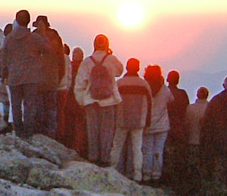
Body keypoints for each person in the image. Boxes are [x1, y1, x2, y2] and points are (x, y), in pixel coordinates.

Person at [0, 9, 53, 138]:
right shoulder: (34, 38)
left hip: (14, 76)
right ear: (28, 21)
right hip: (31, 76)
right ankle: (28, 132)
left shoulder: (9, 38)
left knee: (16, 106)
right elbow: (48, 50)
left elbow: (3, 58)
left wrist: (3, 74)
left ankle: (18, 132)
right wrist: (43, 33)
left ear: (17, 21)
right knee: (30, 106)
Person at [73, 34, 123, 166]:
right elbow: (120, 71)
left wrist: (82, 101)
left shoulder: (87, 62)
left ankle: (93, 157)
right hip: (109, 100)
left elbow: (79, 84)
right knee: (107, 131)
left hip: (91, 100)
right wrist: (109, 54)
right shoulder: (111, 59)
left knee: (92, 131)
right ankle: (105, 158)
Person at [110, 58, 152, 182]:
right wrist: (147, 123)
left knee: (117, 146)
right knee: (137, 149)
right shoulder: (144, 84)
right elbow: (150, 104)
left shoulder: (120, 83)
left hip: (122, 119)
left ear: (127, 67)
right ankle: (137, 174)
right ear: (138, 68)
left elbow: (113, 102)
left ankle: (112, 170)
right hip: (139, 121)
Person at [32, 15, 65, 140]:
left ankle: (40, 136)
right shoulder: (55, 37)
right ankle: (51, 136)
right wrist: (59, 77)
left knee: (39, 110)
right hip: (52, 80)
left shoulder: (34, 37)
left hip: (37, 80)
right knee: (51, 110)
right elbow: (61, 60)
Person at [142, 64, 173, 183]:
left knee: (147, 150)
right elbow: (171, 100)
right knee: (158, 151)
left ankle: (146, 174)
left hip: (148, 124)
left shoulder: (145, 88)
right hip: (162, 125)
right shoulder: (164, 89)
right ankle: (156, 175)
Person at [165, 70, 190, 182]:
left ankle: (164, 176)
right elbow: (186, 109)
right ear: (178, 80)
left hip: (165, 127)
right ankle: (178, 178)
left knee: (164, 152)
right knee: (179, 154)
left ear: (167, 79)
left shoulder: (163, 92)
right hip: (179, 127)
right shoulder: (182, 94)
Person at [185, 86, 209, 178]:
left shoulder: (190, 108)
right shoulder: (210, 108)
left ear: (197, 95)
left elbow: (186, 123)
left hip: (192, 139)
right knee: (203, 164)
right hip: (205, 142)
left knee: (192, 164)